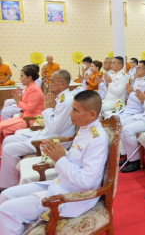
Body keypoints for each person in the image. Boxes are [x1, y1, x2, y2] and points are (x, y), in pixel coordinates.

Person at [0, 90, 109, 234]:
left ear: (92, 115)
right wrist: (59, 157)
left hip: (73, 197)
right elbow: (75, 162)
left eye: (75, 110)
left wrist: (61, 158)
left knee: (6, 210)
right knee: (6, 195)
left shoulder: (97, 139)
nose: (71, 114)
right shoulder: (85, 129)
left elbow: (86, 181)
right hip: (61, 184)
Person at [0, 70, 75, 189]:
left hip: (55, 141)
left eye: (53, 81)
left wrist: (47, 109)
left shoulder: (65, 101)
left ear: (63, 84)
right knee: (8, 140)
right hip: (47, 133)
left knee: (9, 149)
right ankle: (11, 180)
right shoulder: (61, 98)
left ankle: (9, 186)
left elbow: (55, 129)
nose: (49, 83)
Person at [0, 66, 44, 143]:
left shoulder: (34, 89)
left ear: (29, 78)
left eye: (22, 76)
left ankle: (7, 145)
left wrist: (18, 101)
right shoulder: (29, 87)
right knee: (1, 125)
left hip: (31, 120)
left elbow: (30, 108)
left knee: (2, 128)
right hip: (24, 117)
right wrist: (20, 97)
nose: (20, 78)